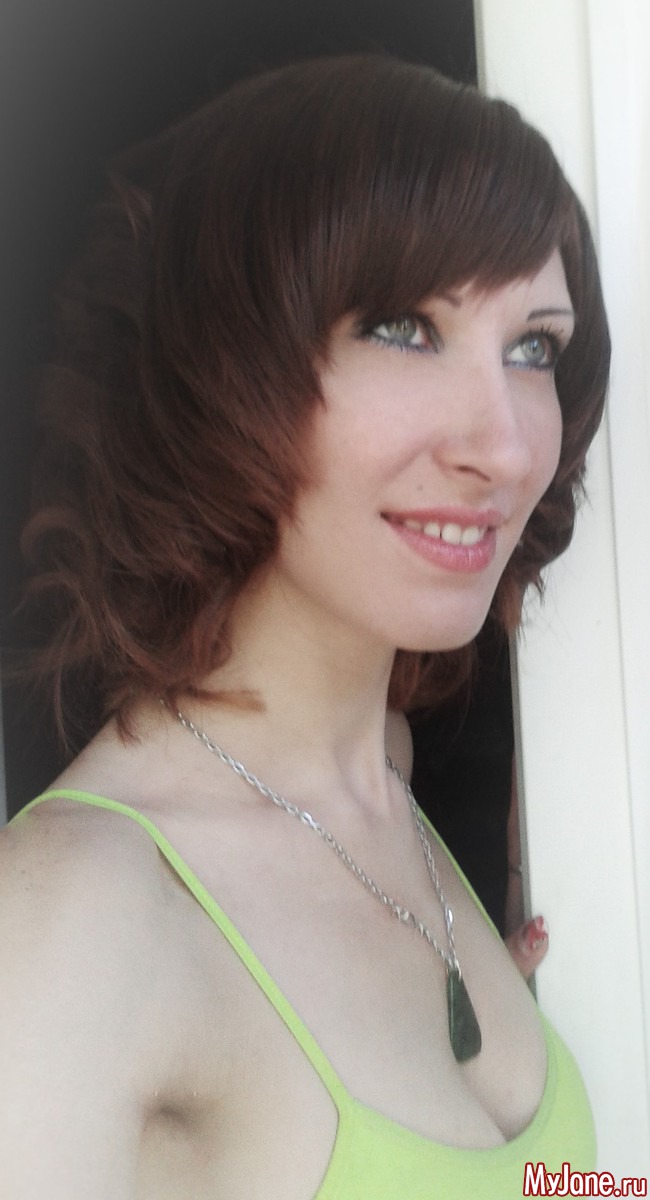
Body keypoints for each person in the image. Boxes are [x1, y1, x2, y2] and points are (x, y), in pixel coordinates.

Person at [0, 54, 609, 1198]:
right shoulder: (78, 916)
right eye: (402, 326)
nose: (503, 446)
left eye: (531, 346)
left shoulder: (388, 788)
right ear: (218, 369)